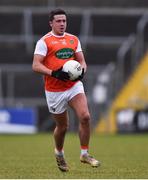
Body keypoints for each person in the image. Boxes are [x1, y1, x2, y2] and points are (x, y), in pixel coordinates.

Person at [32, 8, 100, 172]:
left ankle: (84, 153)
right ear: (51, 23)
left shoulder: (73, 39)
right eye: (58, 21)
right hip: (54, 90)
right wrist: (54, 73)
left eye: (64, 21)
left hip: (73, 85)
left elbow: (82, 61)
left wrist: (82, 71)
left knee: (85, 116)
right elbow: (36, 65)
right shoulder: (44, 41)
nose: (62, 24)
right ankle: (59, 152)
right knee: (63, 127)